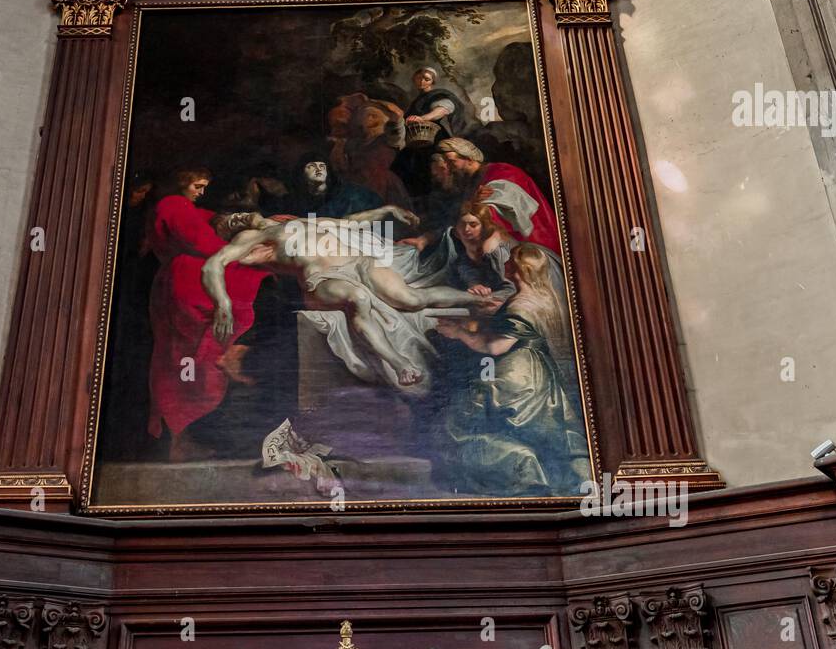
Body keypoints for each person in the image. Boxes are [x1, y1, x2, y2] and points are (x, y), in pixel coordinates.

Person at [202, 206, 484, 388]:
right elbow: (213, 264)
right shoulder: (252, 239)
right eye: (229, 222)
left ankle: (478, 298)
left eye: (235, 213)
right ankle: (398, 363)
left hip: (359, 263)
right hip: (323, 280)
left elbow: (349, 223)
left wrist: (386, 209)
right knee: (358, 299)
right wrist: (223, 303)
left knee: (411, 299)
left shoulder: (295, 222)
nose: (237, 218)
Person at [433, 243, 589, 496]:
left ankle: (525, 474)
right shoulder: (544, 296)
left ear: (519, 269)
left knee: (455, 425)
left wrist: (458, 331)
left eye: (510, 261)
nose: (504, 263)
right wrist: (492, 313)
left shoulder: (521, 305)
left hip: (515, 376)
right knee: (546, 434)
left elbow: (495, 346)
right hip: (540, 376)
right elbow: (518, 322)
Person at [145, 168, 271, 460]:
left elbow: (209, 227)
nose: (201, 192)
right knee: (189, 362)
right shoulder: (173, 205)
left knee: (179, 361)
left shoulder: (188, 208)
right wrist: (244, 252)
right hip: (189, 284)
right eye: (197, 186)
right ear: (181, 182)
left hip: (182, 283)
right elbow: (204, 243)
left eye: (204, 187)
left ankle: (181, 438)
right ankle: (181, 438)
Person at [436, 137, 562, 256]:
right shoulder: (470, 184)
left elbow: (500, 209)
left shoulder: (503, 171)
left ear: (469, 159)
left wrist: (476, 205)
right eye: (446, 163)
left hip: (532, 246)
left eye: (452, 162)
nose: (449, 169)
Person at [393, 67, 468, 197]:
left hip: (433, 138)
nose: (422, 81)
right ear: (414, 79)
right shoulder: (417, 100)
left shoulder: (437, 95)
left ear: (432, 81)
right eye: (419, 78)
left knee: (433, 170)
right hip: (415, 140)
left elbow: (443, 109)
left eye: (427, 79)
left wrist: (422, 118)